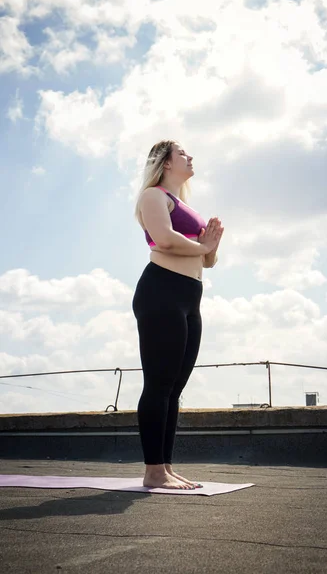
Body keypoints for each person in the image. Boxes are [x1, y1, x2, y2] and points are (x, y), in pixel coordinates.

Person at [132, 139, 224, 490]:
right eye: (182, 153)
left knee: (174, 387)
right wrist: (203, 245)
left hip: (190, 297)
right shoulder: (153, 196)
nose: (190, 156)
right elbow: (164, 239)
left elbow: (206, 261)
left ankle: (165, 467)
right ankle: (152, 471)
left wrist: (212, 245)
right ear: (165, 163)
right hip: (161, 293)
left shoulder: (187, 206)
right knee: (158, 383)